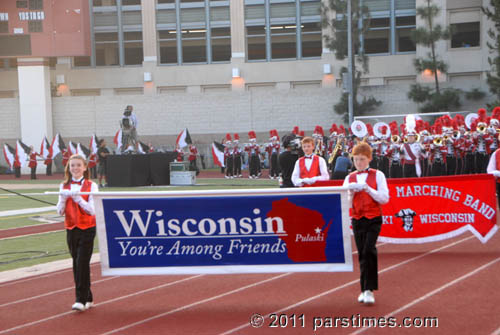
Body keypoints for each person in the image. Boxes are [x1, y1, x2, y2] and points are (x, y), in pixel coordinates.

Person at [343, 142, 389, 305]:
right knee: (362, 253)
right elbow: (346, 205)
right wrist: (349, 193)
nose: (359, 163)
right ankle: (364, 289)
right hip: (357, 219)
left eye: (362, 159)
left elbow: (384, 198)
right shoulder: (349, 178)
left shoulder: (378, 175)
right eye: (356, 160)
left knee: (369, 249)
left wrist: (369, 189)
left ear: (369, 159)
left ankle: (369, 289)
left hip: (374, 217)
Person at [56, 154, 98, 312]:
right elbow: (60, 211)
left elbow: (92, 210)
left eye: (78, 165)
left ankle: (80, 299)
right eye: (72, 165)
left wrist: (78, 198)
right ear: (69, 168)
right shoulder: (63, 185)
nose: (75, 168)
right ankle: (88, 296)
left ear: (85, 167)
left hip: (87, 228)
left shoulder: (91, 185)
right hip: (71, 228)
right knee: (77, 263)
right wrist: (62, 199)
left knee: (81, 262)